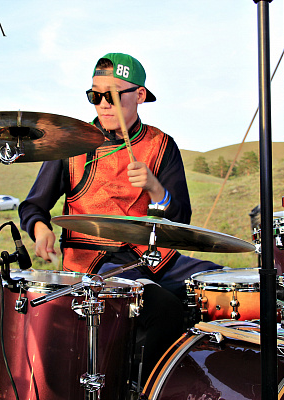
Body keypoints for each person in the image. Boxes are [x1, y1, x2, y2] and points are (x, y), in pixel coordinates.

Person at [19, 52, 221, 383]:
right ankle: (143, 389)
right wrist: (40, 229)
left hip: (155, 258)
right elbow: (33, 206)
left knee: (227, 287)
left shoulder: (161, 145)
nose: (103, 105)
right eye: (95, 96)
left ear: (139, 95)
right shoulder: (73, 144)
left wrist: (155, 188)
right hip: (95, 264)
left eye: (112, 96)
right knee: (163, 309)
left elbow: (180, 217)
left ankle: (212, 380)